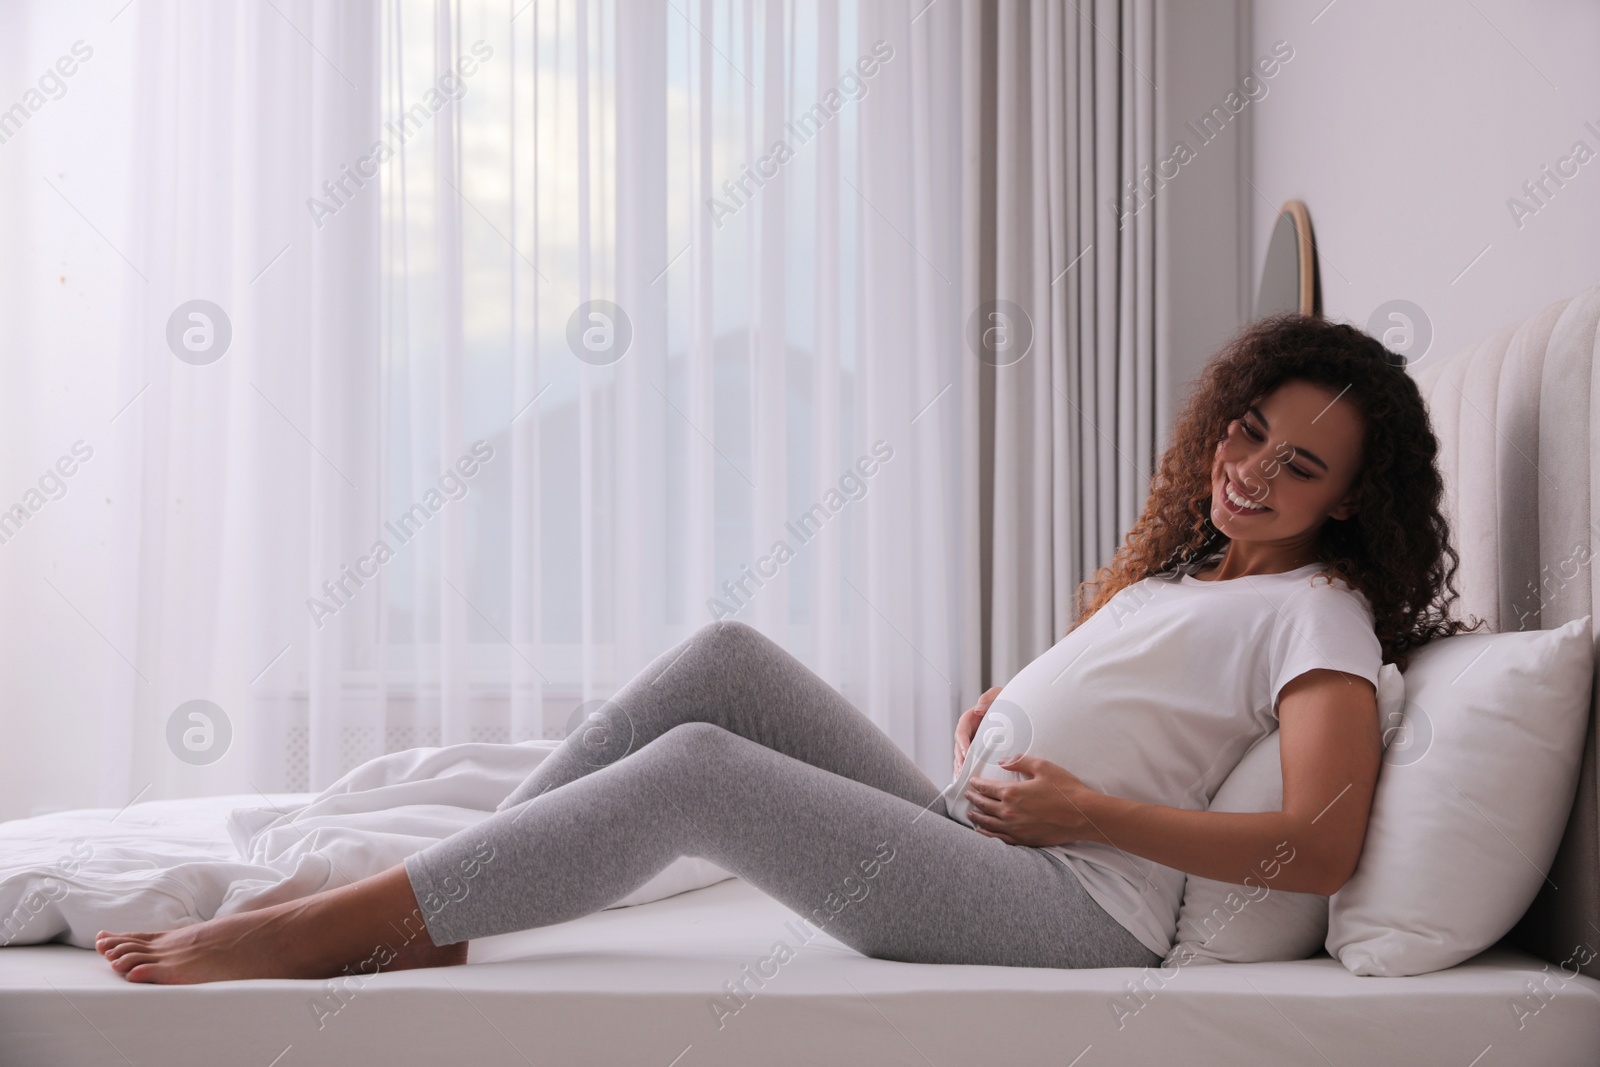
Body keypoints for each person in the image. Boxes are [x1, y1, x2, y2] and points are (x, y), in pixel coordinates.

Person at [94, 314, 1482, 983]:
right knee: (727, 659)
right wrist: (1010, 715)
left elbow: (1320, 846)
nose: (1250, 472)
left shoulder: (1324, 617)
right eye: (1247, 432)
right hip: (991, 833)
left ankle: (323, 933)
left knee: (699, 766)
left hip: (1071, 913)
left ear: (1351, 498)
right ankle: (448, 907)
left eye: (1297, 468)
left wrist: (1085, 808)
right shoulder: (1209, 571)